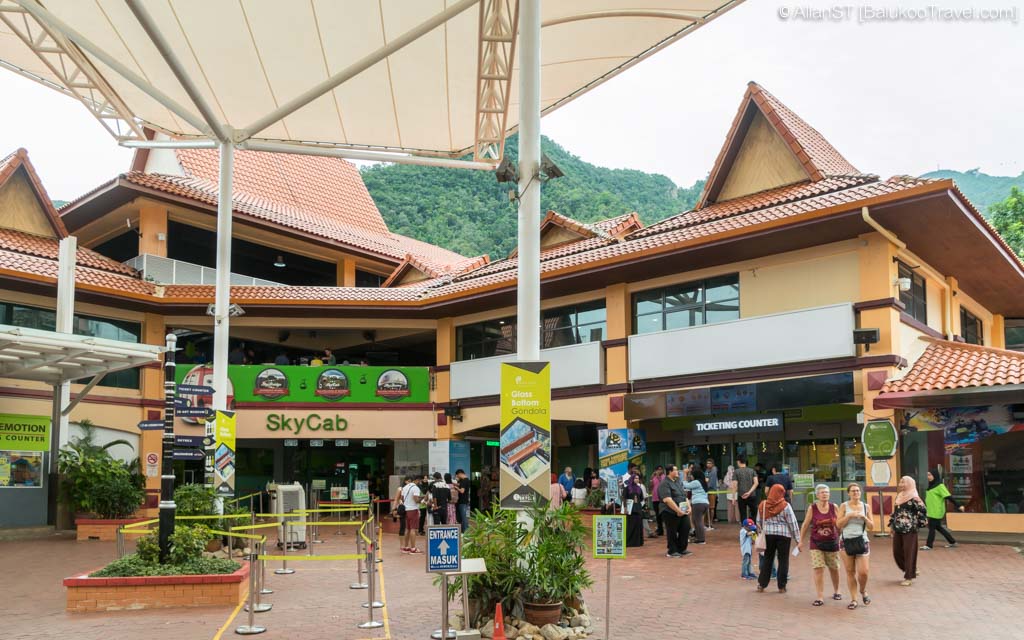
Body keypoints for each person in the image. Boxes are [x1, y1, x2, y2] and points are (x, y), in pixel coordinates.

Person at [800, 484, 842, 607]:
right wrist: (800, 540)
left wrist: (842, 537)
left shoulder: (834, 507)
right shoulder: (812, 508)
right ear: (817, 495)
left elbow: (839, 524)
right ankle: (820, 596)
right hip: (816, 543)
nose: (825, 494)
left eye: (827, 492)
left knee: (834, 568)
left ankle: (837, 590)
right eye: (822, 492)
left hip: (832, 542)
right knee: (818, 568)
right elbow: (805, 524)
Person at [756, 484, 801, 593]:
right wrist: (798, 539)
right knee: (783, 560)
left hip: (768, 535)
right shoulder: (785, 505)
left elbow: (758, 521)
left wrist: (761, 532)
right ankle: (781, 586)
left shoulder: (763, 504)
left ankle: (762, 584)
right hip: (784, 536)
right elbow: (792, 523)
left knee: (768, 559)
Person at [837, 483, 873, 609]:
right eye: (853, 491)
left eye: (857, 491)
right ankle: (854, 599)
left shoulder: (866, 506)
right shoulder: (844, 506)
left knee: (864, 572)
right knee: (850, 571)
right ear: (848, 493)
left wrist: (864, 517)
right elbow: (838, 524)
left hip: (862, 540)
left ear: (860, 492)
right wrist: (849, 516)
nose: (855, 493)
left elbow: (871, 526)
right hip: (846, 541)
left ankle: (863, 591)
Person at [890, 475, 927, 586]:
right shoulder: (899, 496)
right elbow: (895, 512)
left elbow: (923, 511)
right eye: (900, 482)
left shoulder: (914, 497)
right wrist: (892, 526)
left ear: (910, 484)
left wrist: (917, 523)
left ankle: (909, 576)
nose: (901, 484)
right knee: (897, 552)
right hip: (898, 528)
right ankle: (912, 568)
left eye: (904, 482)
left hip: (910, 529)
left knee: (908, 552)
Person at [921, 468, 965, 550]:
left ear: (935, 475)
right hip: (931, 510)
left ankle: (929, 545)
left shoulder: (940, 486)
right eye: (927, 475)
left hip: (936, 511)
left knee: (932, 528)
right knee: (938, 527)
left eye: (930, 475)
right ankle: (952, 541)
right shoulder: (931, 485)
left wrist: (958, 505)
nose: (928, 477)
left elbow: (948, 496)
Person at [656, 464, 692, 558]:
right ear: (670, 472)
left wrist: (689, 507)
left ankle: (682, 548)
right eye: (676, 470)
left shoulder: (678, 482)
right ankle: (672, 550)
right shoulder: (664, 484)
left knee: (686, 527)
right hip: (669, 511)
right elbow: (667, 499)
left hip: (682, 510)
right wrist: (677, 510)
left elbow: (685, 496)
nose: (678, 472)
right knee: (672, 530)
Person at [683, 466, 710, 544]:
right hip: (704, 503)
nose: (691, 476)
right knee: (696, 521)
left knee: (698, 521)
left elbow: (686, 485)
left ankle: (701, 539)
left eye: (692, 474)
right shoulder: (703, 482)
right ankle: (698, 537)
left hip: (698, 503)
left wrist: (684, 474)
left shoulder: (697, 482)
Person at [398, 475, 422, 554]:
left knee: (407, 529)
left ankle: (406, 547)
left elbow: (402, 498)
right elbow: (416, 499)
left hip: (406, 510)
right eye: (419, 481)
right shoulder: (416, 488)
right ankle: (413, 548)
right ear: (417, 480)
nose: (420, 482)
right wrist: (422, 499)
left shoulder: (405, 487)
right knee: (413, 529)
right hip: (413, 509)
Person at [624, 472, 645, 547]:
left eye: (638, 478)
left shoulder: (639, 488)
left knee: (638, 525)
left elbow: (641, 498)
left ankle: (637, 542)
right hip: (630, 510)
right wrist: (625, 508)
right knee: (630, 526)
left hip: (638, 509)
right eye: (635, 478)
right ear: (632, 479)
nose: (637, 479)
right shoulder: (627, 488)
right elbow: (624, 498)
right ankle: (629, 542)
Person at [735, 457, 759, 522]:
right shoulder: (752, 471)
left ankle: (744, 527)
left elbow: (735, 485)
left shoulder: (736, 471)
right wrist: (749, 492)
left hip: (741, 495)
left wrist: (733, 497)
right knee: (754, 512)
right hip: (752, 495)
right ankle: (752, 526)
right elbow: (756, 483)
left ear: (739, 462)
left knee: (743, 514)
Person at [650, 465, 665, 537]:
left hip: (662, 499)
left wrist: (659, 476)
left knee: (664, 515)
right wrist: (651, 478)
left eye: (660, 469)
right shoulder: (653, 477)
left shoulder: (664, 477)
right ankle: (660, 530)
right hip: (655, 498)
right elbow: (650, 487)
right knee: (657, 515)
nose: (659, 471)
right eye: (658, 469)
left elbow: (663, 484)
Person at [705, 459, 720, 526]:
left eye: (710, 463)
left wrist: (706, 484)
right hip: (706, 491)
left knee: (712, 507)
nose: (708, 464)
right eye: (707, 463)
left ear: (713, 464)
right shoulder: (706, 471)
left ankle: (711, 522)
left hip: (712, 491)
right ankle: (706, 522)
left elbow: (710, 482)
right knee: (706, 508)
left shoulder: (714, 470)